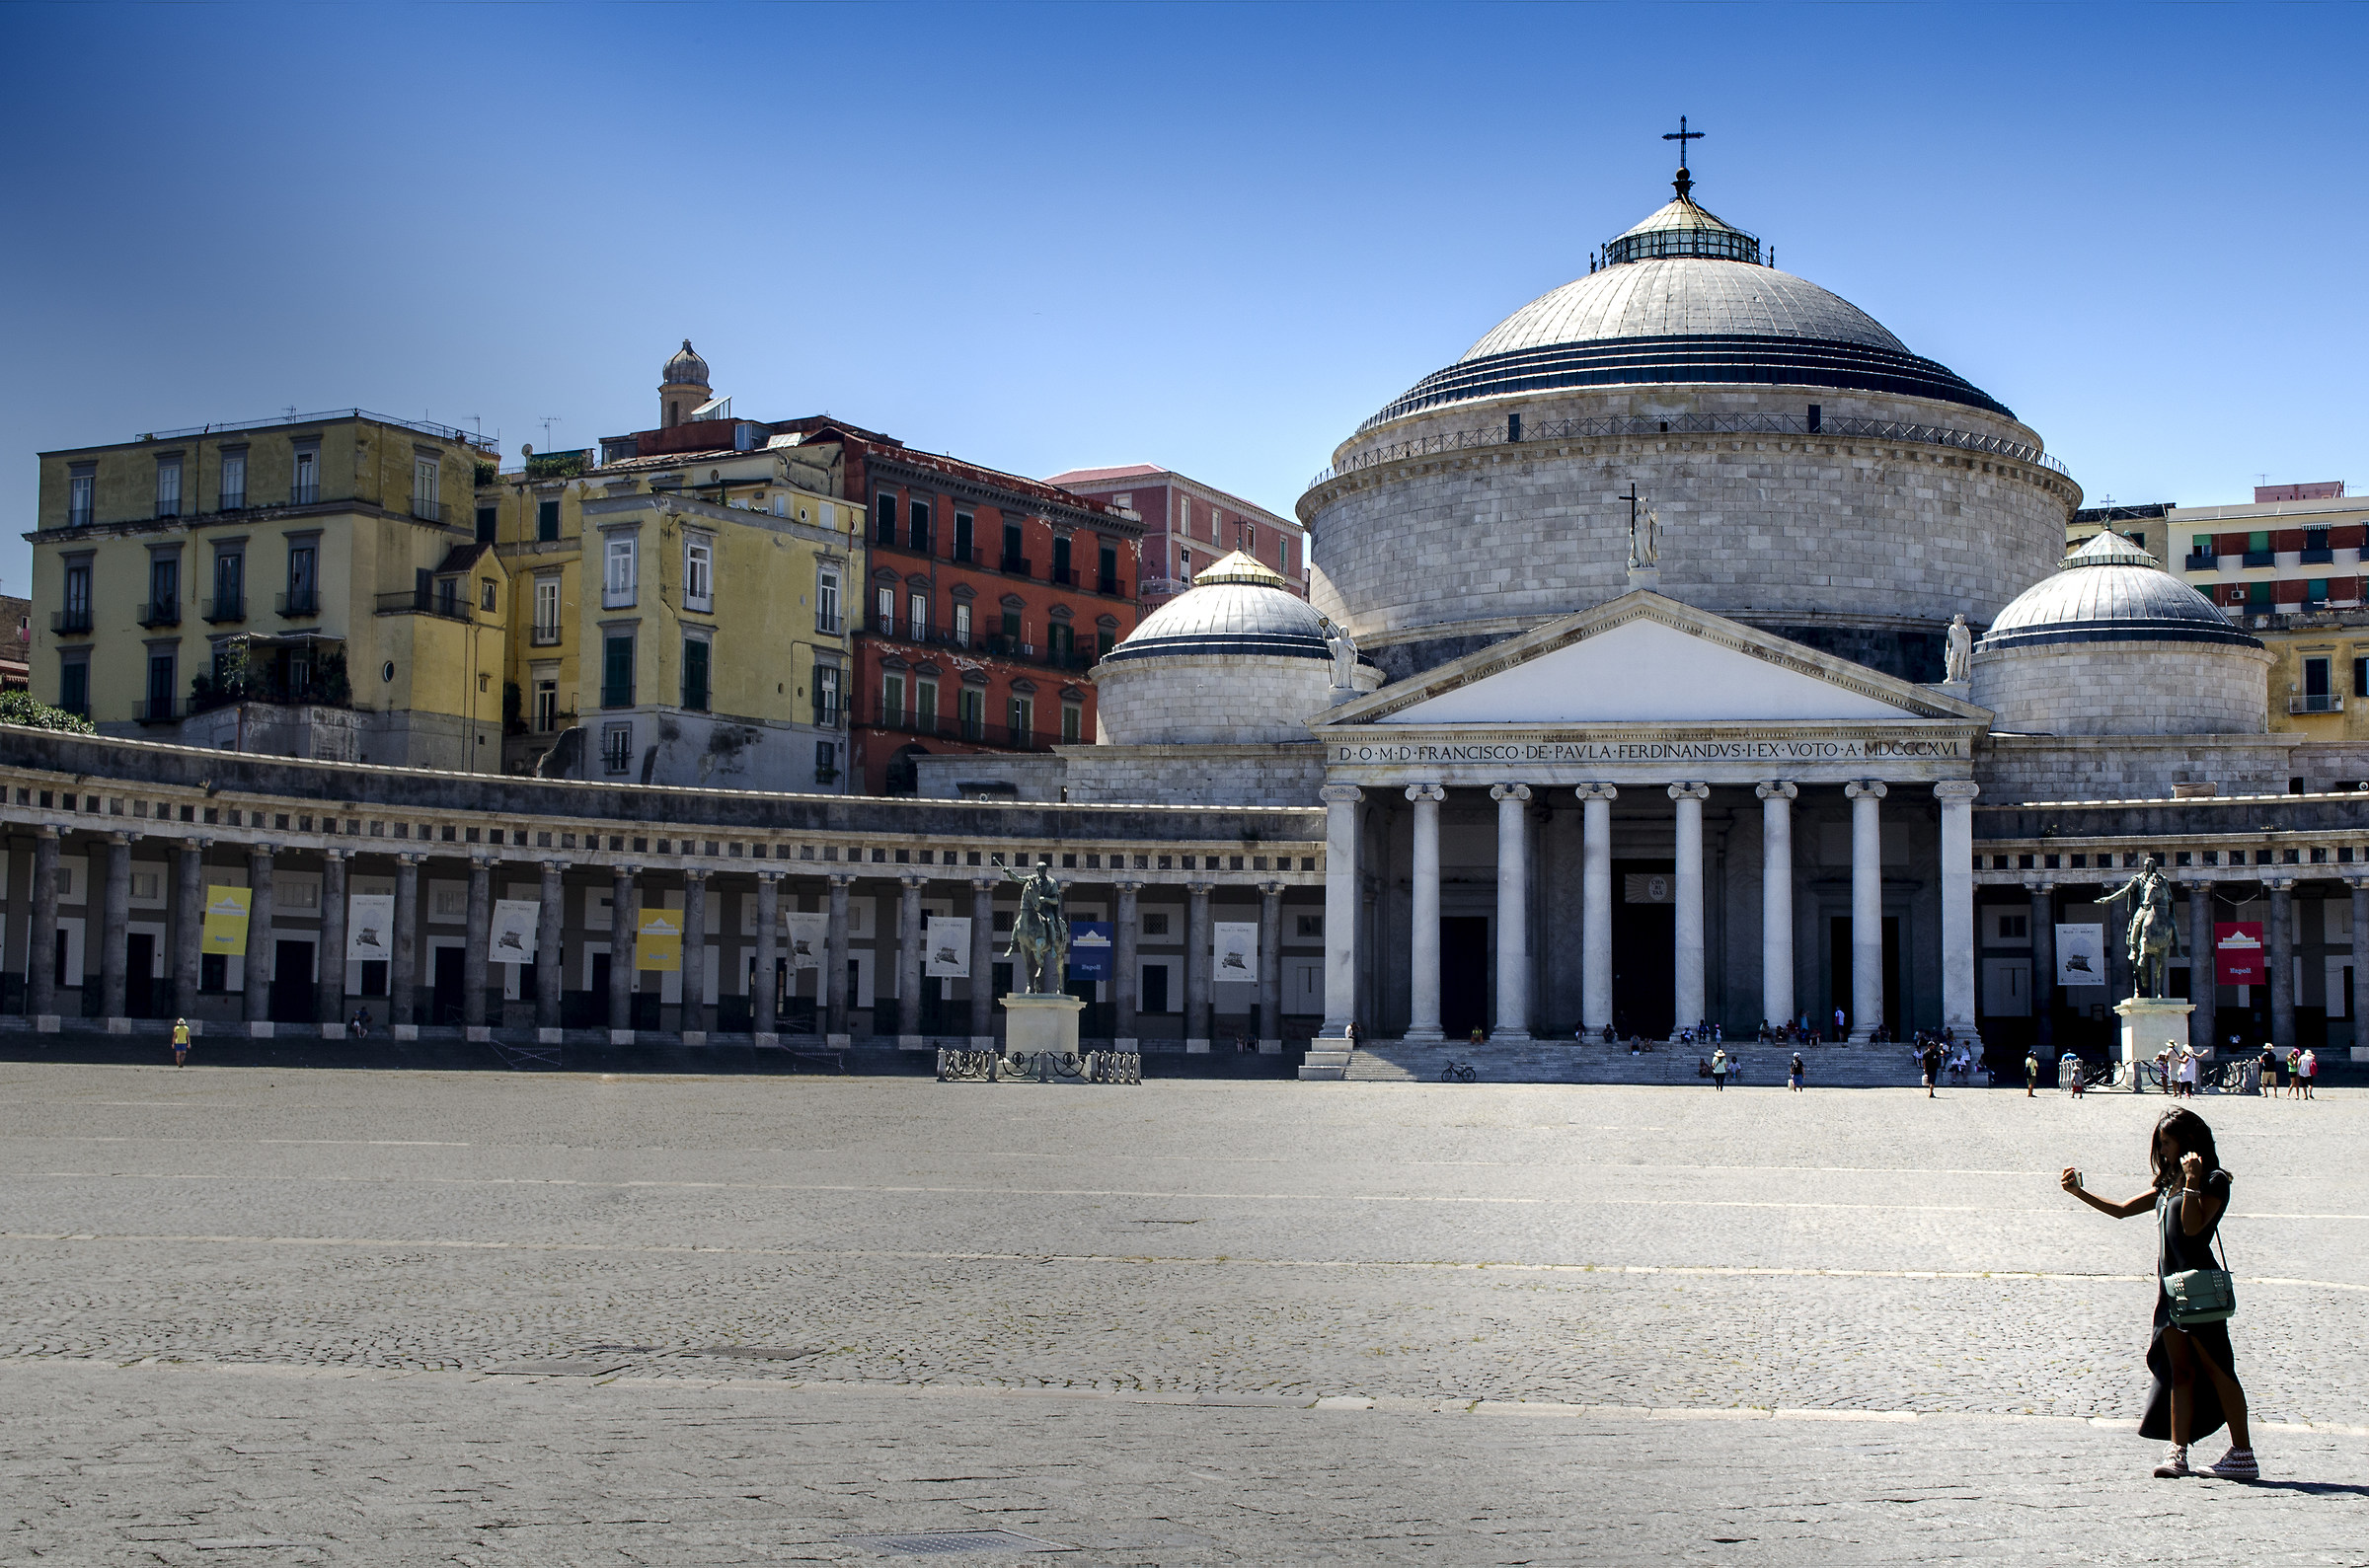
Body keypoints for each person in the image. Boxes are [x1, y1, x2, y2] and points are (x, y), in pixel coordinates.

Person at [2060, 1108, 2257, 1480]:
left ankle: (2243, 1454)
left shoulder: (2214, 1181)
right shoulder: (2168, 1183)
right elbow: (2121, 1211)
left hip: (2199, 1288)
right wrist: (2078, 1192)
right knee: (2179, 1372)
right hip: (2170, 1290)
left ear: (2188, 1142)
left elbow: (2193, 1227)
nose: (2162, 1150)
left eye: (2166, 1143)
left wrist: (2194, 1181)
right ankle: (2177, 1452)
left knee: (2219, 1371)